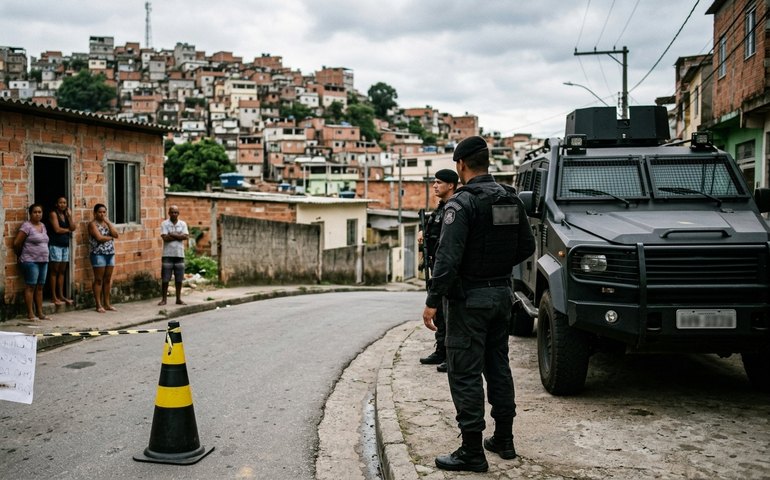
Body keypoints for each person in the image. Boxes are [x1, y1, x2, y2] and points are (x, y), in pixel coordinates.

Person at [421, 136, 535, 472]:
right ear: (487, 162)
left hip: (469, 299)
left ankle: (472, 450)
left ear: (461, 165)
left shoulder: (462, 204)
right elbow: (526, 245)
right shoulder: (509, 199)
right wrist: (496, 268)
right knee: (498, 366)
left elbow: (447, 259)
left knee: (465, 372)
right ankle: (504, 438)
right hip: (502, 295)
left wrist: (433, 301)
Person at [418, 169, 458, 373]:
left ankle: (451, 355)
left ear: (451, 185)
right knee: (441, 313)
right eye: (434, 182)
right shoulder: (441, 208)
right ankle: (441, 350)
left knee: (449, 313)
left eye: (439, 182)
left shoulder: (454, 209)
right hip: (437, 265)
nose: (434, 186)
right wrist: (422, 232)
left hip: (448, 269)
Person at [13, 203, 52, 320]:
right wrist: (20, 256)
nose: (37, 214)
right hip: (30, 261)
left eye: (40, 212)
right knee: (31, 286)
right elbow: (16, 243)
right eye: (35, 212)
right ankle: (30, 313)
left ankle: (40, 313)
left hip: (43, 260)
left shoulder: (43, 226)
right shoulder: (26, 226)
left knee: (40, 287)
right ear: (30, 214)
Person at [88, 203, 119, 313]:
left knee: (107, 279)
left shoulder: (107, 224)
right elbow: (99, 238)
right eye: (100, 212)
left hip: (110, 254)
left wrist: (108, 222)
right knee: (98, 280)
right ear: (95, 213)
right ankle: (98, 304)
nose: (102, 214)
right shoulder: (92, 224)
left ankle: (107, 304)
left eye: (104, 212)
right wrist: (110, 237)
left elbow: (116, 234)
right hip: (98, 254)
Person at [158, 205, 189, 306]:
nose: (174, 214)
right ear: (169, 213)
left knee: (179, 278)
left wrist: (172, 234)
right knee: (165, 278)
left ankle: (178, 299)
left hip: (179, 254)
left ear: (178, 213)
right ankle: (164, 299)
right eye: (172, 212)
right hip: (167, 254)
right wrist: (178, 236)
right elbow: (165, 238)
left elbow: (185, 236)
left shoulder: (183, 224)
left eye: (176, 212)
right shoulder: (164, 224)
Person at [48, 197, 76, 307]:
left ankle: (61, 295)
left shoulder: (65, 215)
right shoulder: (53, 214)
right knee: (54, 271)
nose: (63, 205)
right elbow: (57, 229)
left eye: (64, 202)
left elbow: (73, 227)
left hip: (65, 245)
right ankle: (53, 296)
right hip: (55, 245)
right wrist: (68, 230)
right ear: (56, 204)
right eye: (60, 202)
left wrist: (69, 216)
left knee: (62, 271)